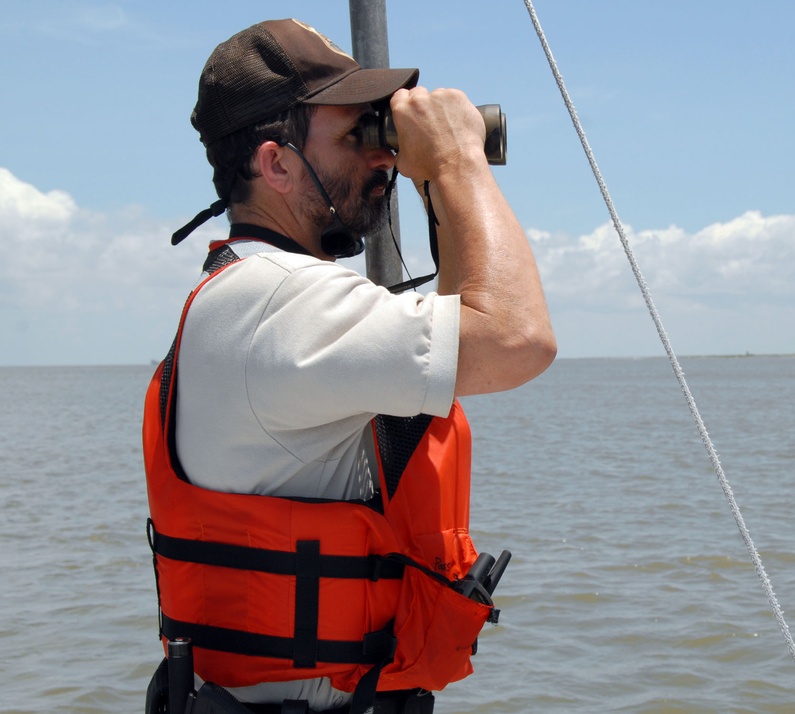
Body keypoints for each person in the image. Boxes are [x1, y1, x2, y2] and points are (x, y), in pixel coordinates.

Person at [142, 18, 556, 714]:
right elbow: (516, 339)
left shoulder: (244, 291)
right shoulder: (280, 302)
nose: (383, 158)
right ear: (276, 164)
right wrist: (456, 161)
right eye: (357, 136)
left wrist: (430, 178)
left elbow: (465, 333)